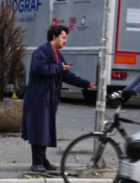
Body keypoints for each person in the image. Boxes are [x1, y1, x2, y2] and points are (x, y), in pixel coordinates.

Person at [21, 24, 95, 173]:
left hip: (49, 98)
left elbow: (67, 76)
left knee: (45, 129)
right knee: (39, 129)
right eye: (63, 37)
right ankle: (37, 162)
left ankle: (42, 160)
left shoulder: (57, 54)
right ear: (54, 37)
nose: (65, 41)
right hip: (38, 98)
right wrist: (59, 68)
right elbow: (39, 69)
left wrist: (86, 84)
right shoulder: (41, 51)